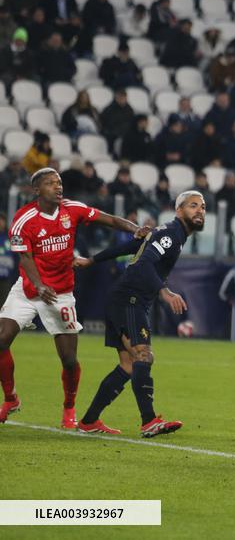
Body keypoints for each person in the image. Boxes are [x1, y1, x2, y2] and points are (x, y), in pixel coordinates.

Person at [0, 169, 147, 427]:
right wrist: (38, 284)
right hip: (27, 290)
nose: (58, 187)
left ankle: (69, 408)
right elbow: (25, 258)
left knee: (69, 359)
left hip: (61, 293)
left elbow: (108, 219)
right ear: (36, 190)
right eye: (50, 183)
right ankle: (11, 398)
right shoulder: (23, 219)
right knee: (1, 338)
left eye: (59, 183)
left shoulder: (72, 209)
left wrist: (135, 229)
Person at [72, 191, 205, 436]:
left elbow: (133, 244)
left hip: (125, 298)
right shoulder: (172, 235)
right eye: (193, 205)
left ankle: (89, 421)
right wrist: (165, 292)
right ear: (179, 210)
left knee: (128, 364)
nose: (200, 210)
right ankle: (149, 421)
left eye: (203, 207)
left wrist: (92, 260)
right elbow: (144, 263)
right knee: (144, 355)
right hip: (129, 299)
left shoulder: (166, 232)